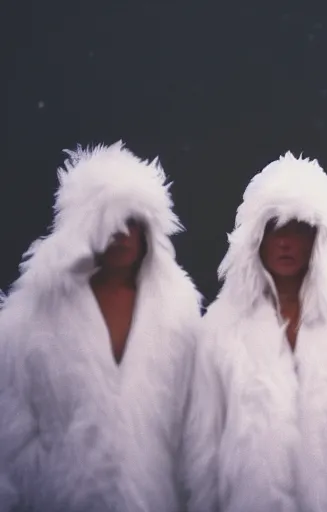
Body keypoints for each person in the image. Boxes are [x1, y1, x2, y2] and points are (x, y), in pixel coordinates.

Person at [182, 152, 327, 512]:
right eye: (273, 227)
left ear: (319, 239)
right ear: (255, 237)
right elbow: (203, 450)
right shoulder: (217, 330)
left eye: (298, 228)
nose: (284, 241)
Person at [0, 142, 202, 512]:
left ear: (148, 231)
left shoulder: (178, 312)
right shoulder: (35, 313)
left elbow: (194, 423)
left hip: (155, 498)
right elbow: (12, 419)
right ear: (85, 226)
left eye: (132, 222)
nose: (121, 233)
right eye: (109, 220)